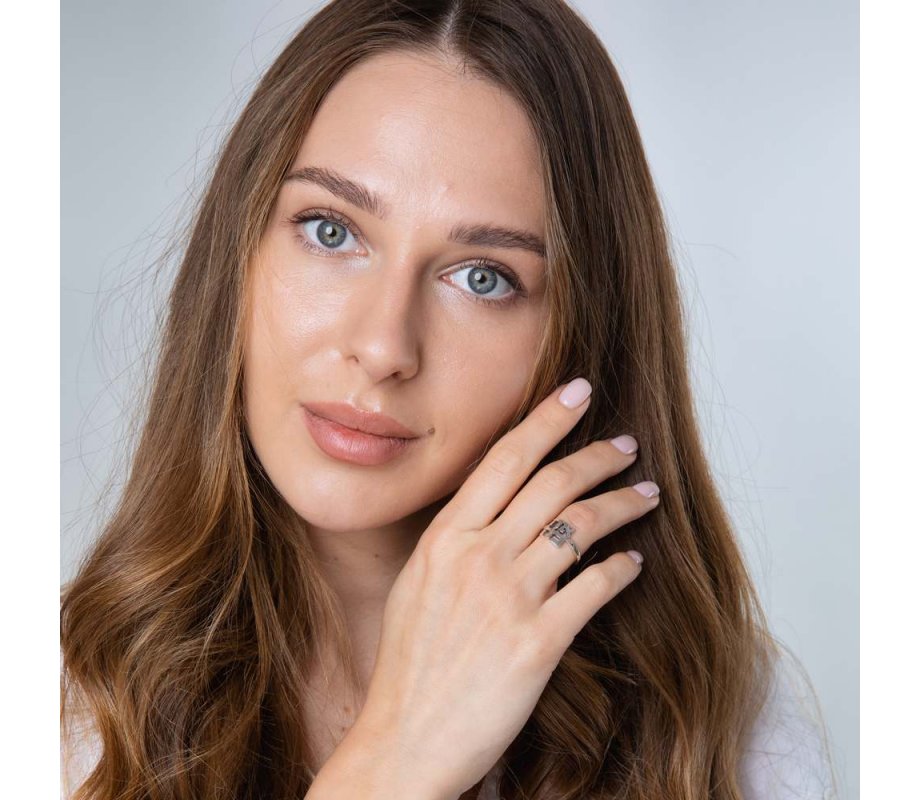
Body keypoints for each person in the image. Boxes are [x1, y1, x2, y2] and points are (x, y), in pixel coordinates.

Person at [60, 1, 839, 798]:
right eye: (331, 231)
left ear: (579, 338)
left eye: (483, 278)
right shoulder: (64, 707)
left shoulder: (723, 725)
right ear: (240, 250)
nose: (384, 347)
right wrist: (396, 760)